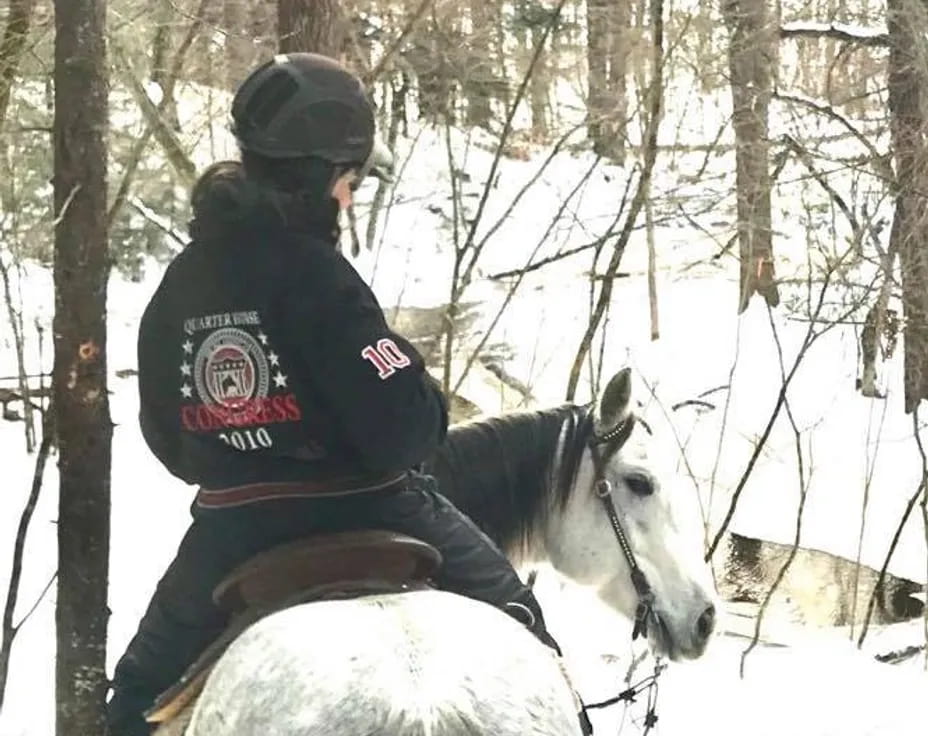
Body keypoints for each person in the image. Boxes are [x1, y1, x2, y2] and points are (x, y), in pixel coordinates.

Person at [105, 53, 586, 735]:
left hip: (232, 527)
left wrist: (241, 450)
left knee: (133, 699)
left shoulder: (182, 282)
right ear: (323, 176)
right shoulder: (322, 279)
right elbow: (402, 432)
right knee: (529, 635)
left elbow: (167, 437)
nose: (350, 197)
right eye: (350, 181)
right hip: (375, 506)